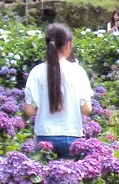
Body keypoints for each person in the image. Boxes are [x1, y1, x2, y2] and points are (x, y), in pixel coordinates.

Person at [23, 23, 92, 154]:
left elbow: (30, 111)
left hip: (44, 137)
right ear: (68, 44)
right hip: (71, 137)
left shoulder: (36, 72)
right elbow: (86, 109)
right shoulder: (77, 71)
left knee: (43, 173)